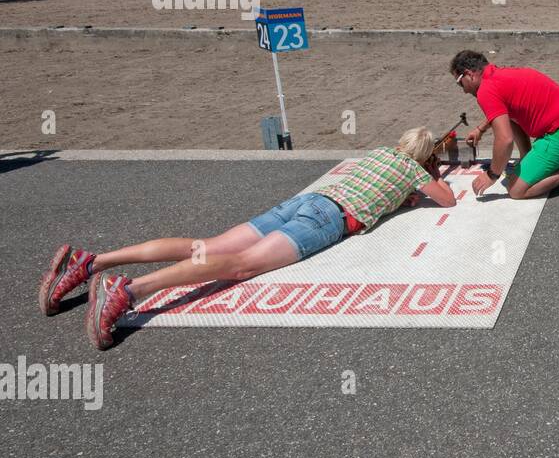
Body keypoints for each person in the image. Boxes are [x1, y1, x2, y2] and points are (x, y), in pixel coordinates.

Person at [39, 127, 458, 350]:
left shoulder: (381, 153)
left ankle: (91, 262)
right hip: (327, 217)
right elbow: (448, 201)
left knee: (206, 245)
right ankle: (129, 290)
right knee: (243, 265)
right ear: (423, 157)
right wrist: (427, 177)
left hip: (305, 200)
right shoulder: (414, 170)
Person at [451, 50, 559, 198]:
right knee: (510, 118)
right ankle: (526, 158)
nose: (463, 91)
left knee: (515, 190)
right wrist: (481, 129)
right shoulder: (496, 74)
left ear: (469, 74)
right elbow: (503, 111)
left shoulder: (485, 91)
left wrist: (492, 174)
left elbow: (505, 140)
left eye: (460, 83)